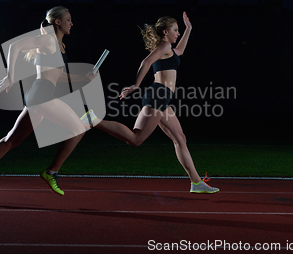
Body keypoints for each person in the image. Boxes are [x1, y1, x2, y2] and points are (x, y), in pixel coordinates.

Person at [82, 12, 219, 193]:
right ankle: (93, 120)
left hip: (163, 98)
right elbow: (146, 62)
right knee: (135, 139)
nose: (177, 33)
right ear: (165, 32)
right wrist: (136, 85)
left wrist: (189, 29)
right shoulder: (165, 45)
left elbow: (181, 51)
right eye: (175, 30)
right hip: (157, 95)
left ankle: (196, 182)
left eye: (178, 30)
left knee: (180, 139)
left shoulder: (169, 49)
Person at [0, 6, 93, 198]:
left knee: (12, 140)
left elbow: (57, 75)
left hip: (39, 95)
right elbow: (14, 46)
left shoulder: (58, 45)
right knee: (79, 127)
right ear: (57, 22)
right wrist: (10, 76)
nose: (71, 23)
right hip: (42, 95)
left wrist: (82, 77)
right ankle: (51, 172)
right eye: (68, 19)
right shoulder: (48, 39)